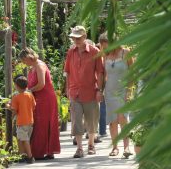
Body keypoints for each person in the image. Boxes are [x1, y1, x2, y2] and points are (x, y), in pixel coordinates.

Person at [64, 26, 105, 158]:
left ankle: (91, 144)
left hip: (91, 91)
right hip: (75, 92)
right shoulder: (71, 52)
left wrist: (99, 90)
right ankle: (80, 148)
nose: (76, 40)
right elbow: (68, 72)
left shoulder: (95, 51)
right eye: (74, 38)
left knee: (91, 120)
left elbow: (100, 72)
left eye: (78, 37)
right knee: (76, 121)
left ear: (84, 36)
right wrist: (68, 88)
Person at [19, 48, 61, 160]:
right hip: (38, 98)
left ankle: (43, 151)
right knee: (38, 123)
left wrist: (29, 91)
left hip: (46, 98)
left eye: (24, 60)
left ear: (29, 57)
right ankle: (40, 151)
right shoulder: (32, 67)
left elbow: (42, 84)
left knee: (44, 123)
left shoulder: (39, 65)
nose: (24, 63)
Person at [100, 33, 134, 158]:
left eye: (106, 44)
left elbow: (133, 73)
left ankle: (127, 147)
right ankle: (115, 147)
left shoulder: (126, 52)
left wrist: (130, 91)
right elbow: (105, 75)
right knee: (112, 121)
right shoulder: (106, 55)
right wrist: (100, 90)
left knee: (123, 119)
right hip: (109, 91)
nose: (104, 48)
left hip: (123, 91)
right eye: (103, 46)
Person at [9, 75, 36, 164]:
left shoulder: (16, 97)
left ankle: (30, 156)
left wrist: (8, 107)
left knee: (24, 140)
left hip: (21, 122)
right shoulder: (30, 95)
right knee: (22, 138)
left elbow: (14, 110)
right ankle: (22, 155)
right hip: (30, 121)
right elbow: (34, 106)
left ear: (16, 86)